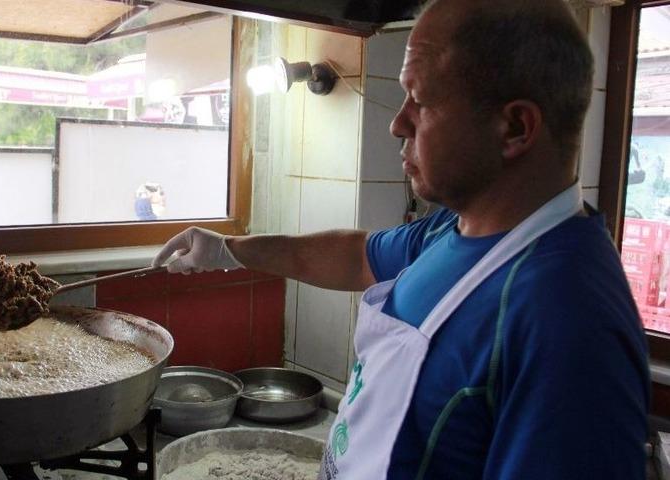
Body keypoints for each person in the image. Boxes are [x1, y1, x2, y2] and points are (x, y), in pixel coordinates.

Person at [152, 0, 650, 478]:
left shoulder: (568, 322)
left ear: (515, 127)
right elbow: (356, 256)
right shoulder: (455, 227)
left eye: (422, 101)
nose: (397, 123)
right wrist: (229, 249)